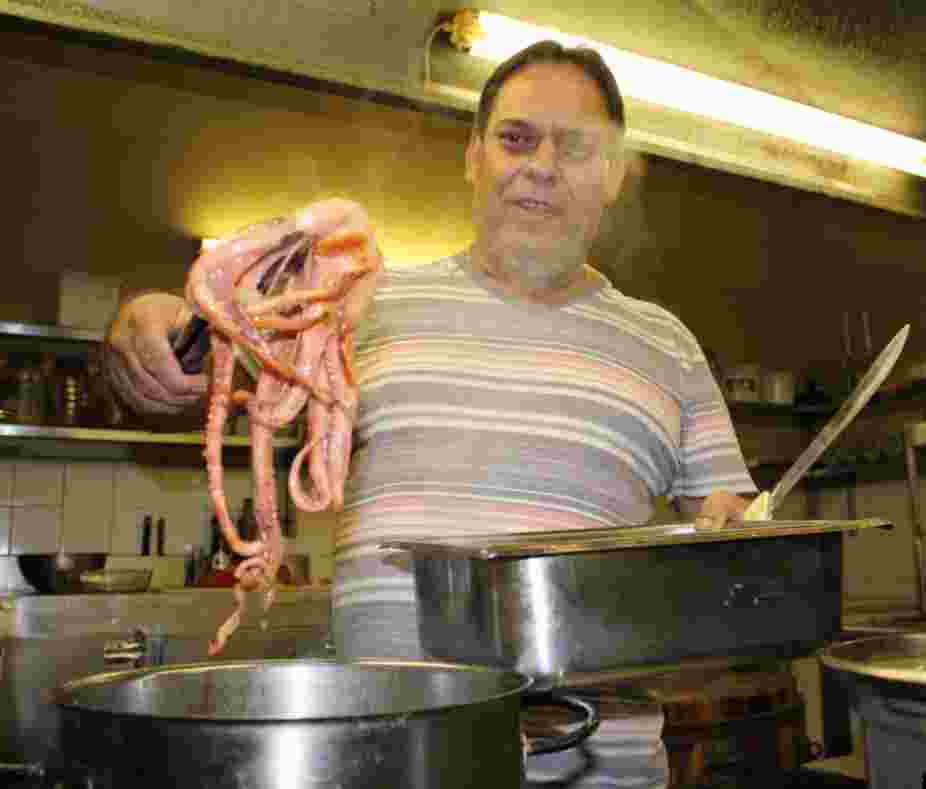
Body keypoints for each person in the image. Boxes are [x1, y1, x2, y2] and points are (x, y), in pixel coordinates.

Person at [105, 40, 756, 788]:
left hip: (599, 771)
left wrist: (732, 539)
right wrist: (143, 334)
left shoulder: (666, 342)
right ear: (474, 156)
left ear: (610, 174)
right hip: (388, 762)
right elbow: (185, 371)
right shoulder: (361, 305)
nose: (541, 164)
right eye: (516, 138)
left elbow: (730, 533)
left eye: (574, 146)